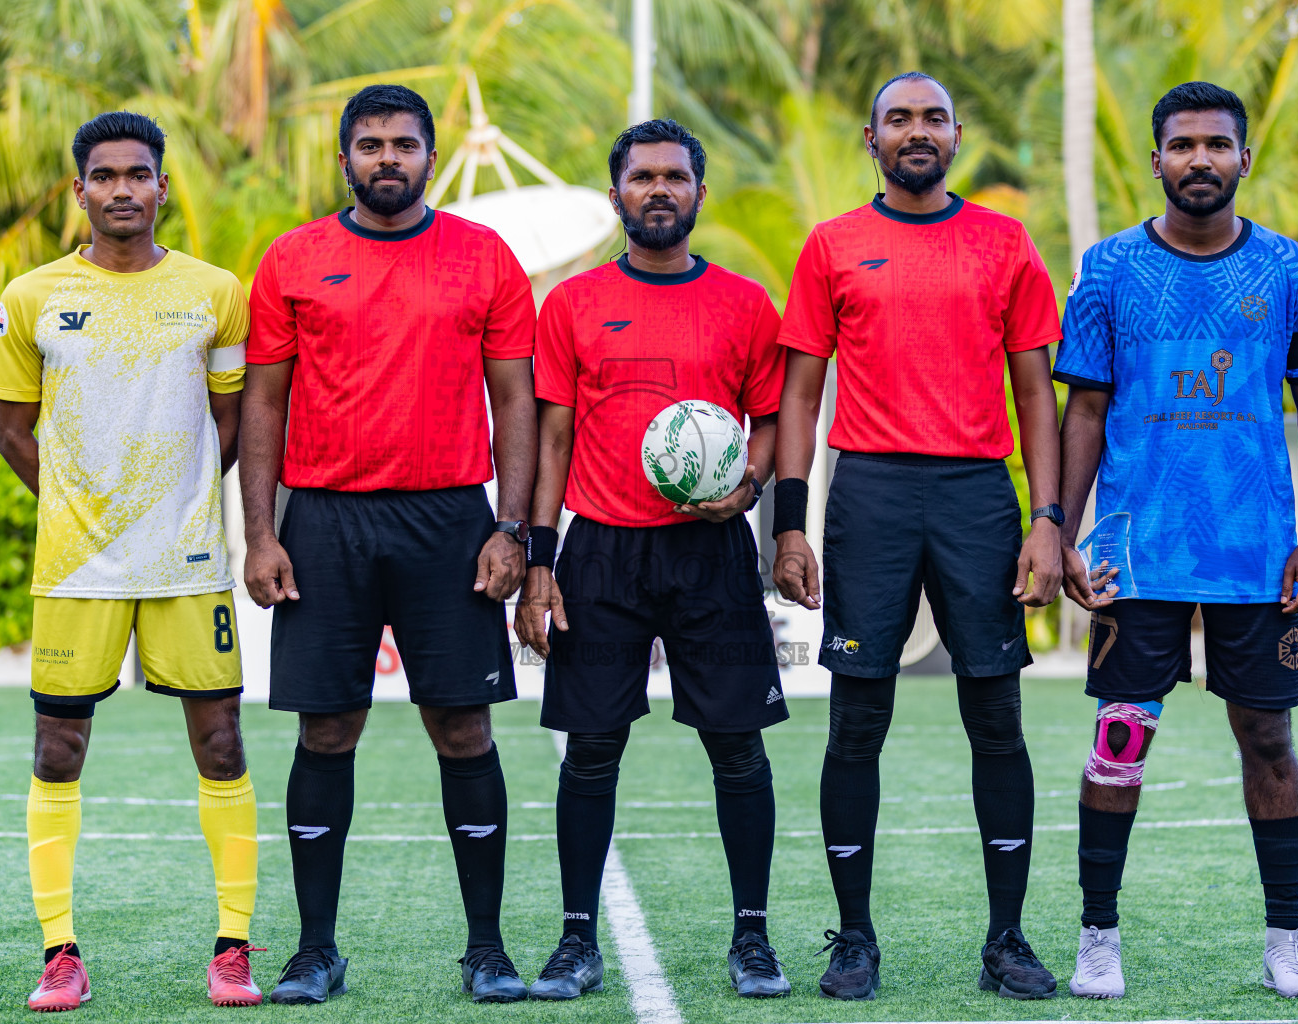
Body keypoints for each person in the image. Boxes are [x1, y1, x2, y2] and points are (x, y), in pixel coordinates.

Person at [239, 85, 538, 1004]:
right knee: (327, 729)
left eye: (403, 144)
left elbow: (515, 399)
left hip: (449, 521)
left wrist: (511, 527)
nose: (387, 159)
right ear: (345, 160)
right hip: (325, 522)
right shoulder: (292, 259)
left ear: (429, 157)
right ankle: (315, 951)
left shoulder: (484, 257)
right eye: (369, 145)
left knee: (463, 727)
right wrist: (261, 533)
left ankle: (485, 949)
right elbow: (263, 403)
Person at [772, 72, 1065, 1001]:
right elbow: (800, 397)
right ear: (872, 139)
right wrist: (789, 525)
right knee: (857, 719)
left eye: (933, 117)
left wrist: (1049, 520)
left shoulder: (1005, 243)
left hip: (978, 495)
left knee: (996, 715)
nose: (917, 131)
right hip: (872, 494)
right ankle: (854, 939)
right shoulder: (832, 245)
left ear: (957, 134)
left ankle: (1006, 939)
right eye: (898, 119)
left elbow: (1036, 393)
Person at [1054, 82, 1298, 1001]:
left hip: (1255, 551)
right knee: (1121, 736)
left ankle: (1286, 940)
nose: (1201, 160)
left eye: (1218, 144)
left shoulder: (1287, 267)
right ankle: (1098, 938)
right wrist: (1061, 528)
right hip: (1135, 550)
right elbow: (1084, 408)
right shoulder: (1107, 268)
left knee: (1268, 737)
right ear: (1157, 161)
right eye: (1183, 145)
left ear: (1244, 159)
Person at [0, 112, 262, 1011]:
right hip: (78, 568)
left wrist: (173, 503)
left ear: (161, 187)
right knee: (57, 747)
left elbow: (230, 421)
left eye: (137, 174)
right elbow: (13, 433)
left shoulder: (215, 291)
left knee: (221, 743)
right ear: (80, 191)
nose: (121, 189)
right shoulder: (33, 296)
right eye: (103, 176)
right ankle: (59, 952)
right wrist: (85, 513)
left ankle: (233, 947)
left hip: (188, 562)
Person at [515, 119, 791, 1001]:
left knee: (737, 747)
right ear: (616, 195)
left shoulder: (746, 304)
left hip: (712, 550)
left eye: (676, 176)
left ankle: (753, 937)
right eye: (643, 177)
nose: (659, 189)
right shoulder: (572, 304)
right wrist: (539, 561)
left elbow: (772, 422)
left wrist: (749, 490)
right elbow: (552, 439)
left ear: (700, 193)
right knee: (591, 748)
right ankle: (576, 940)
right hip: (601, 550)